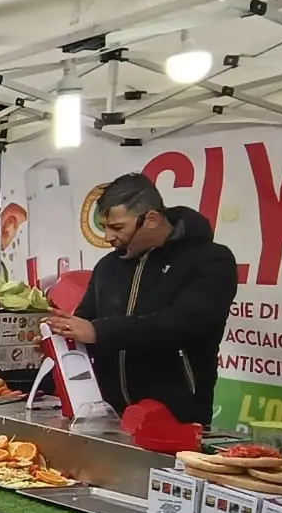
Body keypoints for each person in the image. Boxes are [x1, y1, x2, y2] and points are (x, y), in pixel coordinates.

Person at [53, 173, 238, 426]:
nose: (108, 238)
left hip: (177, 416)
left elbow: (181, 325)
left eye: (118, 228)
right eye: (104, 227)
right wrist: (61, 331)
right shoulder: (108, 266)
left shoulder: (211, 260)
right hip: (107, 414)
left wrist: (98, 331)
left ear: (151, 219)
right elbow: (85, 320)